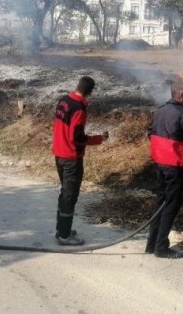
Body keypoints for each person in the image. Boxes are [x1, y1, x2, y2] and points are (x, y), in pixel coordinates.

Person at [145, 81, 183, 258]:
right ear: (180, 95)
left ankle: (151, 243)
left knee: (160, 202)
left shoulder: (160, 111)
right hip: (175, 166)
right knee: (171, 205)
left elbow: (150, 132)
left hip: (160, 164)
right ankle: (161, 247)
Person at [52, 76, 108, 246]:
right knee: (70, 196)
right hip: (71, 159)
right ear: (90, 92)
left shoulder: (64, 100)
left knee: (65, 194)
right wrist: (99, 139)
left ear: (77, 85)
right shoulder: (78, 109)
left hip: (59, 155)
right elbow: (77, 137)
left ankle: (63, 229)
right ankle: (64, 236)